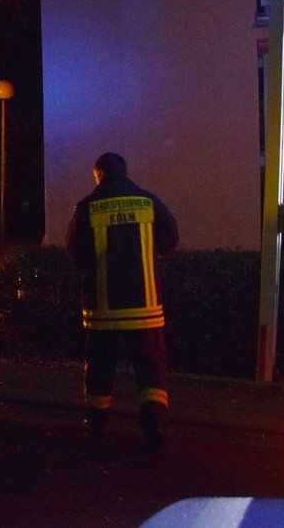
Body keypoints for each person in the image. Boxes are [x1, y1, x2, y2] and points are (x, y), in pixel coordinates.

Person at [64, 152, 179, 452]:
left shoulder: (88, 207)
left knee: (101, 366)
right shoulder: (148, 202)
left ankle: (97, 423)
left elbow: (76, 252)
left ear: (99, 175)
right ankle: (153, 425)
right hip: (146, 307)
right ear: (125, 173)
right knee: (151, 368)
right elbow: (170, 238)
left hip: (104, 309)